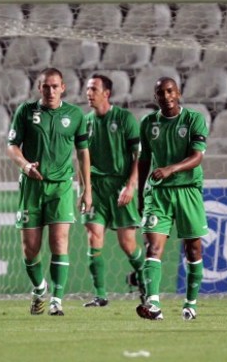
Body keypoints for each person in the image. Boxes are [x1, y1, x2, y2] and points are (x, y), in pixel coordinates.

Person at [6, 67, 92, 316]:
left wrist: (87, 189)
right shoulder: (26, 111)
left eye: (55, 86)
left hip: (62, 186)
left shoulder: (75, 115)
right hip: (31, 186)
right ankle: (39, 288)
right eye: (46, 86)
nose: (51, 90)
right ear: (39, 87)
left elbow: (83, 153)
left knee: (59, 242)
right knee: (30, 249)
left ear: (63, 88)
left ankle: (57, 299)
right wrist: (25, 165)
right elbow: (12, 145)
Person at [135, 77, 209, 321]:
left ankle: (190, 304)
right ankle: (153, 304)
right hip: (158, 193)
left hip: (188, 190)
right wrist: (139, 193)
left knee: (193, 248)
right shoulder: (148, 123)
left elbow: (197, 157)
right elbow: (144, 160)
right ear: (155, 97)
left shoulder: (194, 119)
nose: (166, 96)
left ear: (178, 92)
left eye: (170, 91)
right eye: (160, 93)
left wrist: (170, 169)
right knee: (153, 246)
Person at [81, 74, 144, 307]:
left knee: (127, 243)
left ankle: (145, 281)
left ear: (106, 93)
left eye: (94, 89)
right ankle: (100, 295)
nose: (89, 93)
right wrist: (84, 190)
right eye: (88, 89)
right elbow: (82, 159)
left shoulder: (125, 119)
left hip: (120, 186)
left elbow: (139, 156)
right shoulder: (85, 122)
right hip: (96, 187)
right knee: (93, 236)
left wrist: (131, 185)